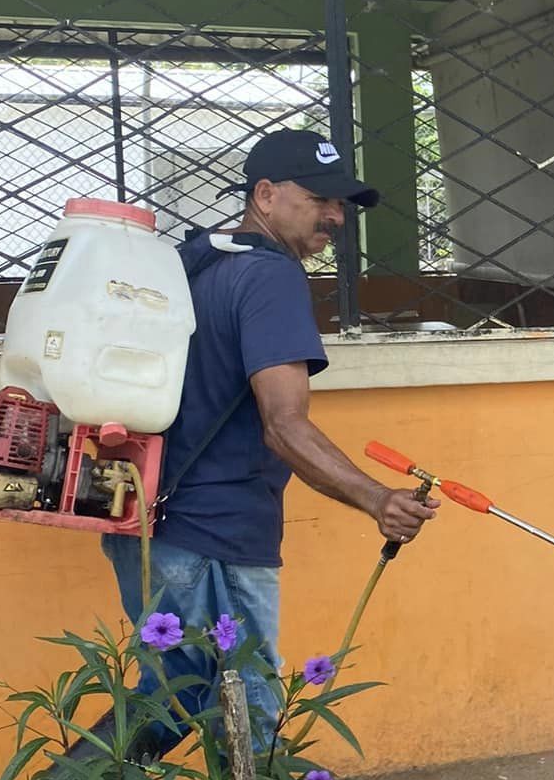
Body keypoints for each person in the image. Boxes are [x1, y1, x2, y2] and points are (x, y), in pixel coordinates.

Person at [98, 126, 440, 746]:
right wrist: (377, 499)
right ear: (265, 194)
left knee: (178, 692)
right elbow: (284, 426)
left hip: (147, 519)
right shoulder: (270, 278)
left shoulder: (199, 263)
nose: (336, 216)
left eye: (342, 204)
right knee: (246, 706)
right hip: (215, 534)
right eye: (320, 199)